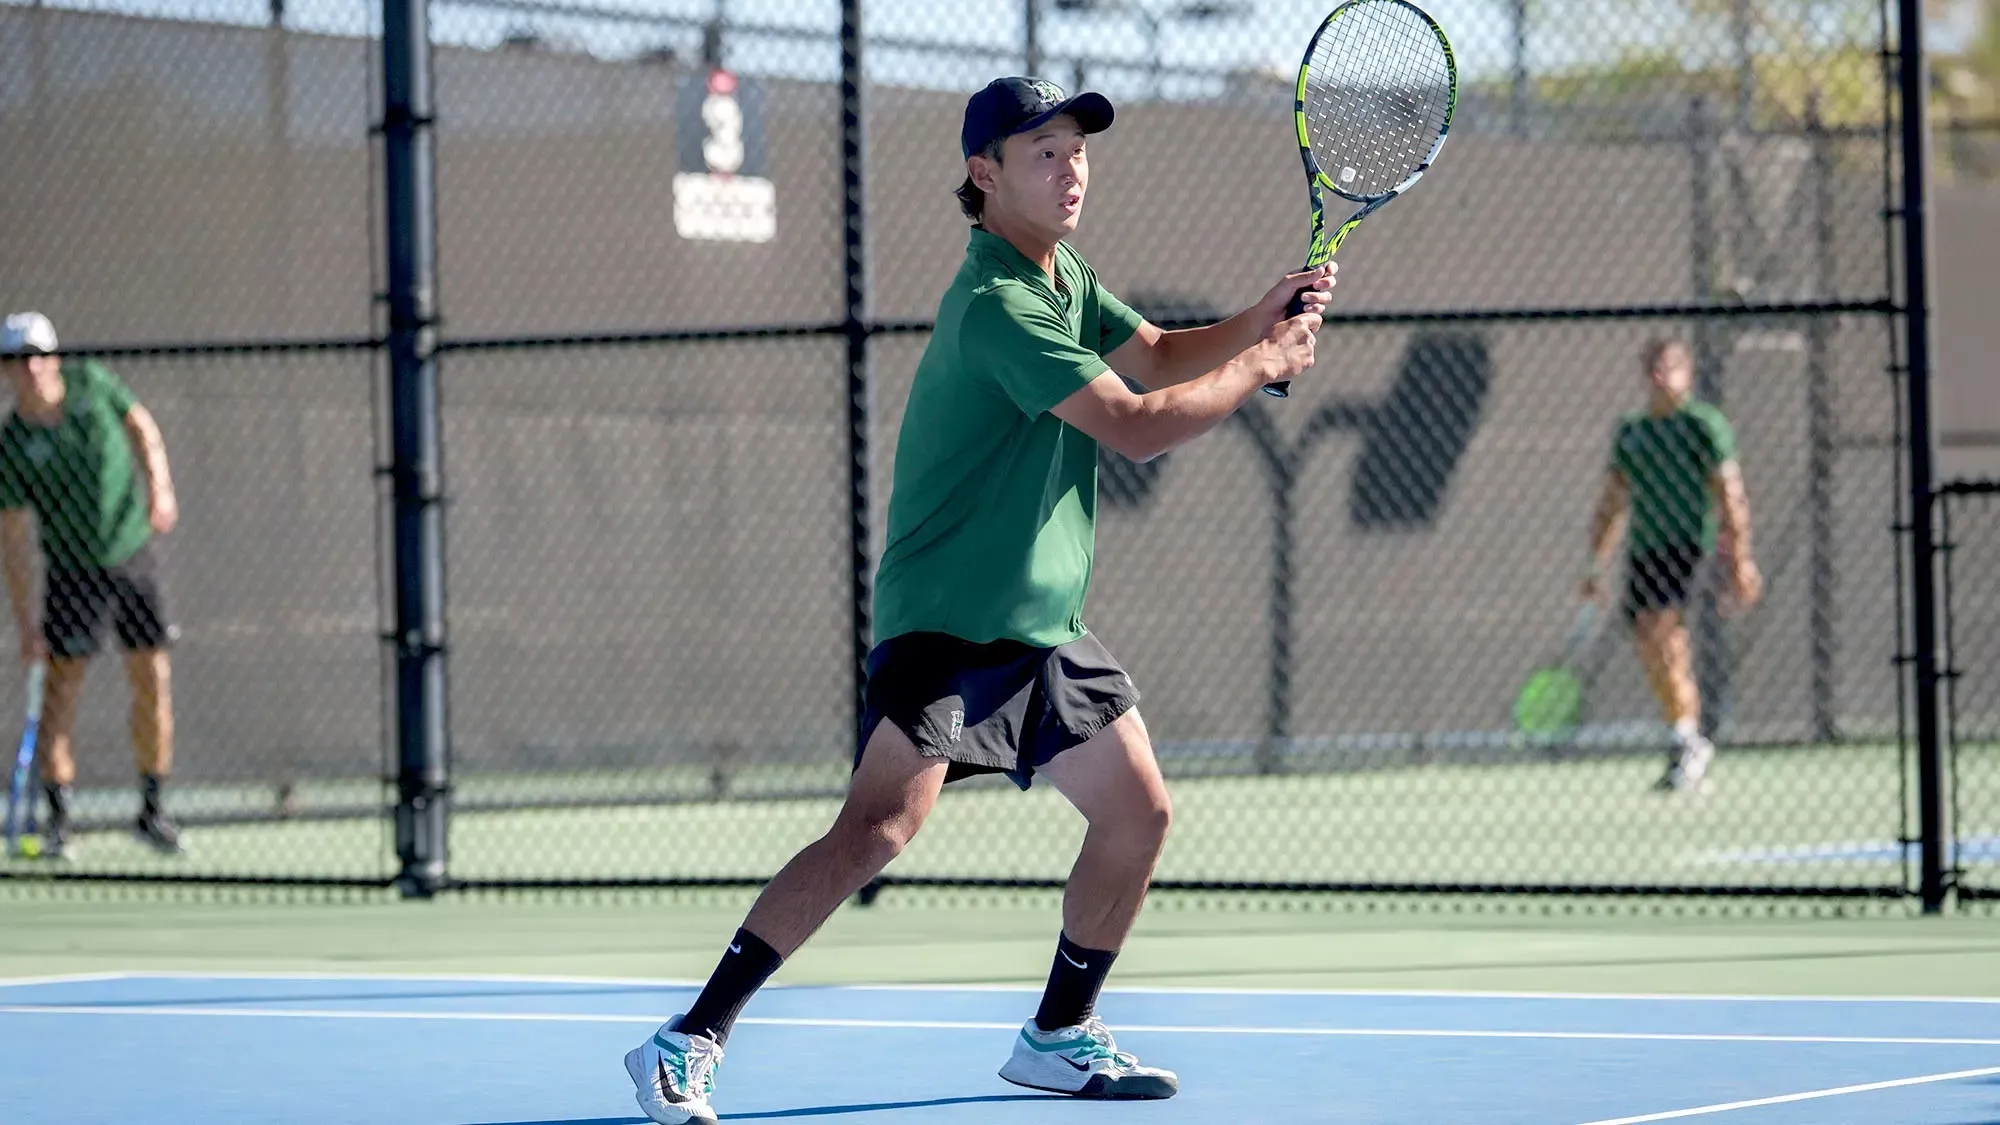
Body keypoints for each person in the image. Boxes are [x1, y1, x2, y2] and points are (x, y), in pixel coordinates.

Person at [619, 76, 1330, 1124]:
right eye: (1041, 150)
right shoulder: (997, 304)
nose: (1069, 166)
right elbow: (1133, 423)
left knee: (1136, 813)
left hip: (1039, 631)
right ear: (982, 173)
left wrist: (1253, 322)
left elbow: (1165, 355)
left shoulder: (1062, 279)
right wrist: (1263, 364)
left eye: (1077, 148)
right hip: (949, 627)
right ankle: (686, 1040)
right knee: (874, 832)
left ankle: (1054, 1035)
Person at [0, 311, 183, 858]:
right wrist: (27, 624)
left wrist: (161, 489)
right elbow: (12, 541)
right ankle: (60, 822)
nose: (29, 368)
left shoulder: (94, 383)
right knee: (62, 695)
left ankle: (153, 810)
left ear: (54, 358)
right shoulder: (11, 445)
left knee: (152, 678)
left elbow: (143, 428)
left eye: (36, 355)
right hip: (71, 574)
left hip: (133, 560)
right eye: (15, 360)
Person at [1580, 337, 1761, 794]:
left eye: (1672, 368)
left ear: (1687, 374)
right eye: (1655, 368)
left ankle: (1686, 741)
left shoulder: (1704, 425)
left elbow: (1730, 495)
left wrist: (1740, 559)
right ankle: (1685, 737)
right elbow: (1610, 502)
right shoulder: (1632, 432)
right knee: (1649, 641)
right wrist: (1594, 566)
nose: (1663, 377)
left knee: (1664, 633)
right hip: (1644, 551)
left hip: (1688, 547)